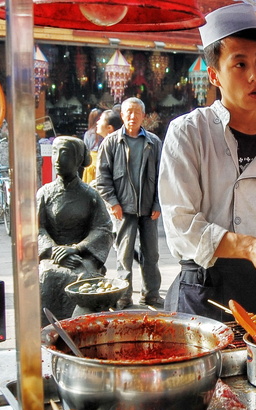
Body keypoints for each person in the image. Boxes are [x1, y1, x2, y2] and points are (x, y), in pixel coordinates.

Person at [158, 3, 256, 321]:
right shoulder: (188, 133)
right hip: (201, 291)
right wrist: (251, 247)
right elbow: (181, 226)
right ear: (215, 75)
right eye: (239, 64)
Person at [38, 136, 114, 326]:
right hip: (51, 255)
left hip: (82, 256)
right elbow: (35, 228)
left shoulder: (90, 195)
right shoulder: (44, 193)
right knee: (47, 276)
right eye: (55, 152)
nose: (57, 159)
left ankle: (81, 330)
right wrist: (54, 250)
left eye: (64, 154)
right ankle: (48, 331)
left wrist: (77, 249)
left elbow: (103, 229)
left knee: (86, 280)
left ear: (78, 159)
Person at [96, 97, 163, 309]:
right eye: (128, 113)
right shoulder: (111, 142)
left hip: (148, 208)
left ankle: (151, 294)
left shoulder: (154, 142)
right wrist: (113, 202)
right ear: (122, 116)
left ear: (144, 116)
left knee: (151, 254)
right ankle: (124, 295)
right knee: (124, 254)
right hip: (123, 208)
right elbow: (102, 177)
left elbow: (163, 176)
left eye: (137, 113)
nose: (133, 117)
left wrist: (158, 204)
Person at [82, 108, 103, 184]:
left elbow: (85, 149)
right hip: (101, 160)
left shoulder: (88, 133)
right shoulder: (102, 132)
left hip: (90, 163)